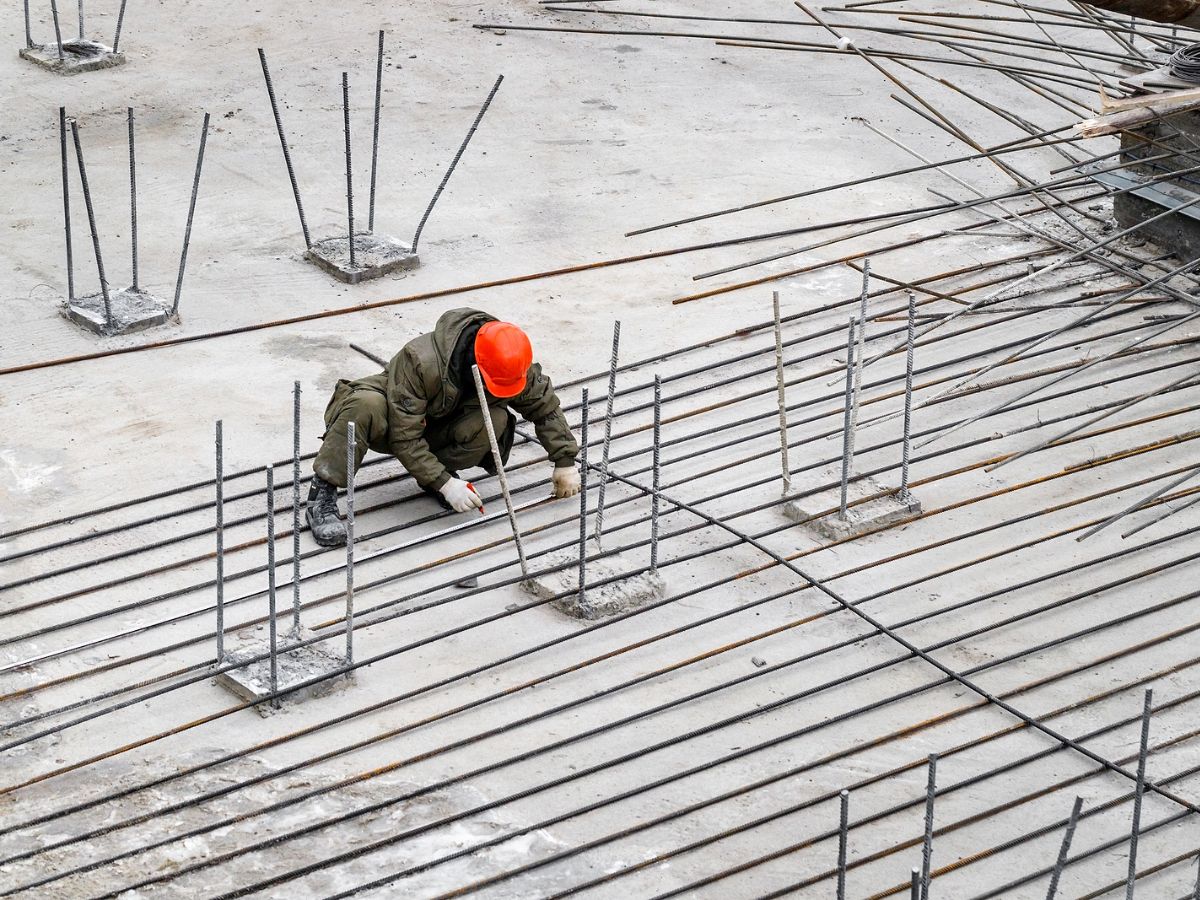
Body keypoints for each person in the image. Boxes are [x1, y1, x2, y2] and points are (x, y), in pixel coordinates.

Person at [306, 308, 581, 547]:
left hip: (437, 425)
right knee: (364, 405)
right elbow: (405, 437)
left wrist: (565, 460)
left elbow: (545, 407)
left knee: (493, 420)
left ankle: (434, 476)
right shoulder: (421, 360)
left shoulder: (510, 360)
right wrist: (446, 485)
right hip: (393, 422)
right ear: (477, 364)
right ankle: (322, 494)